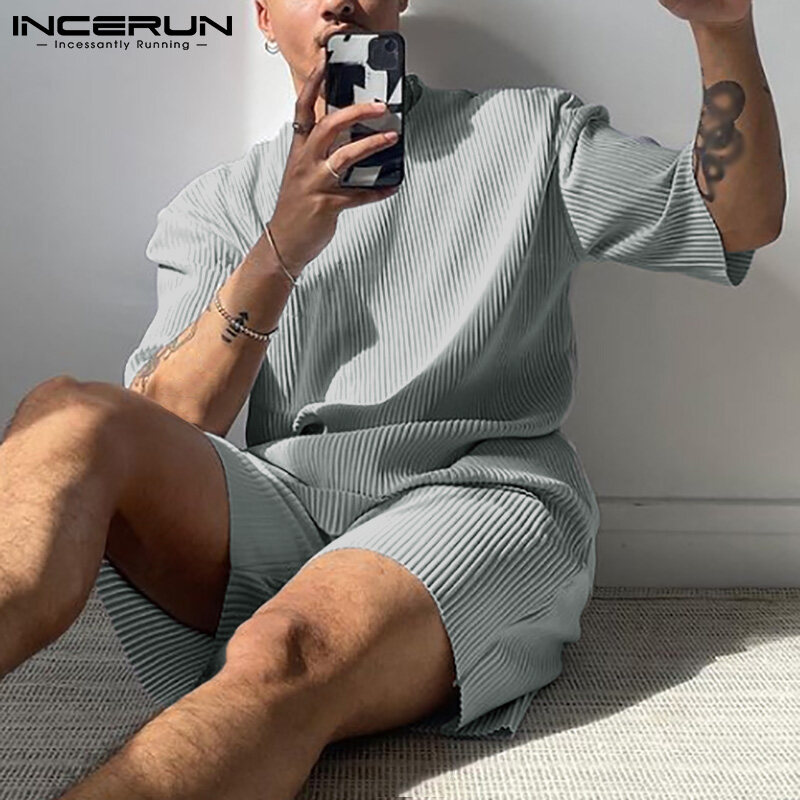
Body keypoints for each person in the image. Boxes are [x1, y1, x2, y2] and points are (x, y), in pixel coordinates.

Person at [0, 0, 784, 797]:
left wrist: (722, 28)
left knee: (282, 652)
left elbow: (735, 223)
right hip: (283, 503)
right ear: (264, 17)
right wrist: (281, 247)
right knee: (68, 413)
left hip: (477, 495)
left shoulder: (530, 135)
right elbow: (170, 420)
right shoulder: (219, 205)